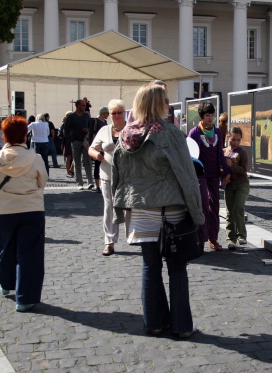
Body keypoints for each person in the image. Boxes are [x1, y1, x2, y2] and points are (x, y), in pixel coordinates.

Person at [112, 84, 203, 338]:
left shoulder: (125, 135)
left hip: (139, 210)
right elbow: (187, 176)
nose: (168, 105)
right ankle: (182, 326)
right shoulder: (171, 133)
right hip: (169, 209)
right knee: (176, 267)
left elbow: (118, 176)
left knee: (150, 266)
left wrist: (119, 211)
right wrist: (197, 213)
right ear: (158, 103)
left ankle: (153, 323)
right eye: (166, 100)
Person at [0, 116, 48, 312]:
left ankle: (5, 282)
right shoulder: (35, 158)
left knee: (4, 247)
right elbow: (41, 183)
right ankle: (25, 297)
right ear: (26, 135)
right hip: (31, 209)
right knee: (31, 254)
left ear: (4, 135)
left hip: (3, 210)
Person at [188, 101, 231, 251]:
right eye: (207, 115)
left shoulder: (218, 131)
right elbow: (192, 155)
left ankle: (213, 238)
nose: (210, 118)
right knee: (203, 205)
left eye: (212, 115)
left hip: (214, 173)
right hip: (200, 174)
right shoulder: (194, 132)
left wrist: (226, 171)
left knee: (215, 206)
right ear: (201, 116)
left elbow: (220, 153)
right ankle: (201, 238)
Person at [88, 100, 126, 256]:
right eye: (113, 113)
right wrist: (96, 154)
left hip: (128, 177)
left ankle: (136, 238)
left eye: (119, 112)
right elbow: (91, 148)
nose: (116, 116)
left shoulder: (132, 129)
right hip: (107, 175)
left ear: (124, 113)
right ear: (109, 114)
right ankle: (109, 241)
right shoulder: (104, 130)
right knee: (109, 208)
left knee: (131, 209)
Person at [223, 126, 250, 250]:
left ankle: (242, 235)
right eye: (233, 139)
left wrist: (231, 166)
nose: (235, 143)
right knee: (230, 212)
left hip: (242, 183)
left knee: (238, 208)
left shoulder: (242, 152)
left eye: (238, 140)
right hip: (229, 185)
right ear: (228, 137)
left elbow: (243, 170)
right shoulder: (223, 151)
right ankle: (231, 239)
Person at [66, 100, 93, 189]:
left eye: (85, 105)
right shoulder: (71, 117)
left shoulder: (86, 115)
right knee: (77, 162)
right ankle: (79, 183)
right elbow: (65, 130)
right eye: (83, 105)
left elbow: (91, 126)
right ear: (77, 106)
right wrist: (71, 140)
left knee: (87, 161)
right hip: (76, 141)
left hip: (85, 141)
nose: (84, 107)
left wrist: (88, 130)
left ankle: (90, 182)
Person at [88, 106, 109, 193]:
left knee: (104, 164)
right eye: (108, 113)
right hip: (97, 146)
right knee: (97, 166)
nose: (108, 115)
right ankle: (97, 185)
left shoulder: (105, 122)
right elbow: (90, 134)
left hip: (104, 146)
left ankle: (104, 183)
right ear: (104, 113)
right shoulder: (95, 121)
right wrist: (91, 147)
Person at [60, 111, 74, 178]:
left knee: (75, 157)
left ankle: (71, 170)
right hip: (68, 141)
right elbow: (62, 134)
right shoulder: (65, 124)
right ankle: (68, 172)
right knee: (69, 157)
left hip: (73, 141)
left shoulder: (73, 123)